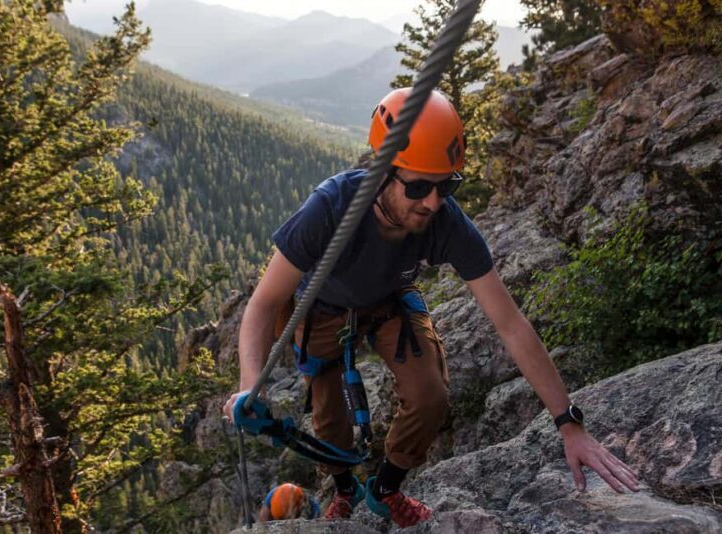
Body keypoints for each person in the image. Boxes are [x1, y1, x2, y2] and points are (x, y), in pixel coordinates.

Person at [224, 87, 640, 528]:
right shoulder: (330, 208)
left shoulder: (446, 223)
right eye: (419, 186)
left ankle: (387, 488)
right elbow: (264, 303)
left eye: (447, 185)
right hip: (322, 309)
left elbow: (510, 323)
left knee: (430, 395)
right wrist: (251, 387)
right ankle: (344, 489)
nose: (433, 202)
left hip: (388, 301)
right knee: (330, 417)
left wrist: (569, 423)